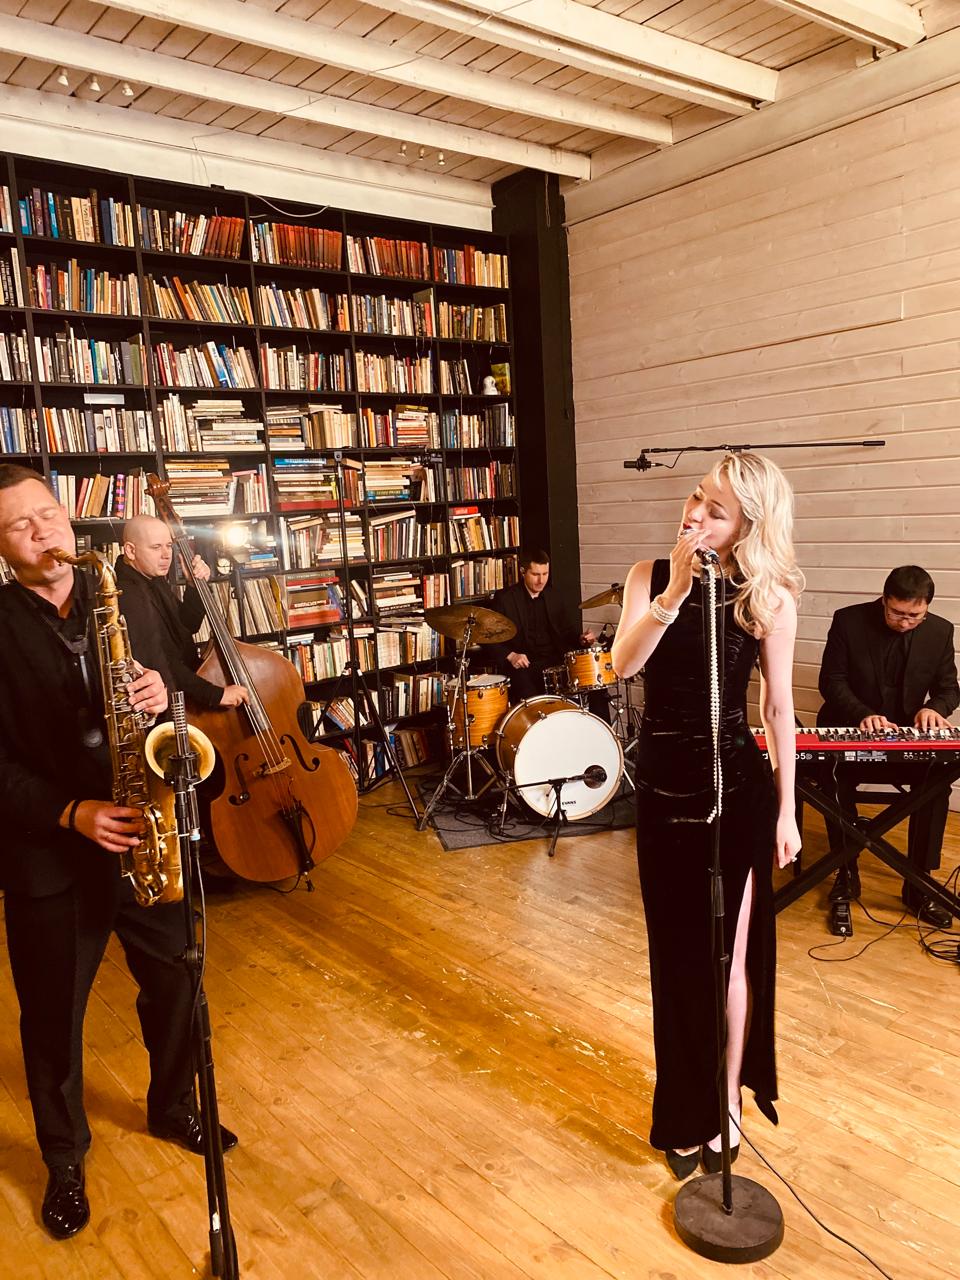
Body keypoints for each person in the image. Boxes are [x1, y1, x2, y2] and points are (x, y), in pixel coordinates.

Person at [0, 464, 237, 1243]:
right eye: (20, 524)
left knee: (178, 984)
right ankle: (64, 1157)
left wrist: (160, 693)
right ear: (1, 546)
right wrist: (70, 811)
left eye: (48, 513)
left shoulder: (122, 595)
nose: (43, 531)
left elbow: (175, 691)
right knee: (52, 1019)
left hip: (143, 828)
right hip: (50, 851)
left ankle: (172, 1106)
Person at [611, 452, 803, 1181]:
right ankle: (682, 1107)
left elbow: (778, 709)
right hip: (665, 792)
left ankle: (725, 1098)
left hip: (738, 791)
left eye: (716, 511)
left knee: (732, 961)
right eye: (696, 497)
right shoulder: (649, 576)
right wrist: (675, 592)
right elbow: (624, 666)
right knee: (678, 961)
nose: (695, 514)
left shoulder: (767, 595)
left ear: (747, 526)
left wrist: (787, 809)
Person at [817, 565, 958, 929]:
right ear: (884, 600)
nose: (905, 622)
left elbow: (949, 689)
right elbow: (831, 681)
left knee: (937, 782)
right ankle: (845, 872)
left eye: (915, 615)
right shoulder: (848, 622)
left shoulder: (940, 631)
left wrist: (934, 708)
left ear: (926, 608)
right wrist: (864, 714)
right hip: (852, 730)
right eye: (897, 613)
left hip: (906, 738)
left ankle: (918, 884)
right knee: (833, 780)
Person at [116, 514, 248, 709]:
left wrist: (194, 586)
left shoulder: (153, 579)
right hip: (170, 702)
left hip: (184, 690)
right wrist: (215, 695)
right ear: (130, 550)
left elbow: (187, 626)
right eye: (156, 547)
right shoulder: (126, 593)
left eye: (169, 546)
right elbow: (162, 662)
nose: (166, 555)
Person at [490, 547, 598, 703]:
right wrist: (512, 656)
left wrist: (581, 639)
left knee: (596, 684)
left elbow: (566, 631)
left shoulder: (553, 595)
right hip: (524, 666)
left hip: (555, 662)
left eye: (545, 574)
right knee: (535, 702)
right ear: (523, 572)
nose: (541, 580)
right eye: (535, 575)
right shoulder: (505, 599)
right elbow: (489, 639)